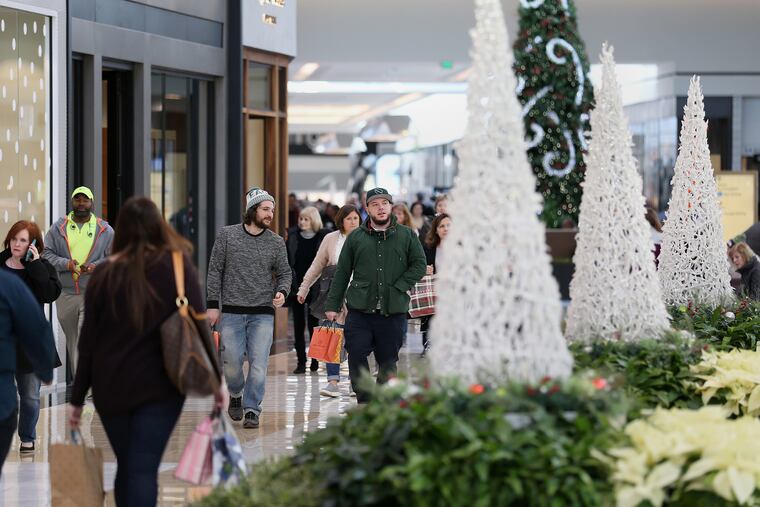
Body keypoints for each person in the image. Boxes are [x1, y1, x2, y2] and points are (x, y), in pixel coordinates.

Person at [68, 196, 227, 506]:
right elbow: (199, 328)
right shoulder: (178, 267)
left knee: (128, 465)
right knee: (142, 468)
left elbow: (87, 343)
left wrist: (76, 400)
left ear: (123, 230)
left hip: (110, 386)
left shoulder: (104, 274)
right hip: (162, 387)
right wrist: (217, 381)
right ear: (159, 227)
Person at [324, 188, 426, 403]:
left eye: (385, 203)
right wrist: (332, 304)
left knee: (388, 359)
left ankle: (382, 398)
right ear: (368, 209)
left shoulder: (406, 235)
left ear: (390, 207)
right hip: (360, 309)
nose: (380, 208)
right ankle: (364, 398)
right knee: (356, 352)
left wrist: (400, 286)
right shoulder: (356, 238)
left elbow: (419, 265)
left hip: (393, 309)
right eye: (375, 204)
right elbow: (343, 272)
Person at [207, 188, 291, 428]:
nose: (270, 214)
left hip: (263, 312)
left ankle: (252, 408)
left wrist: (282, 292)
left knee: (259, 363)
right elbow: (215, 271)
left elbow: (285, 272)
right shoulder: (227, 235)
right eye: (265, 209)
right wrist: (213, 305)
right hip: (232, 310)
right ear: (252, 210)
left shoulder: (275, 242)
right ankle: (235, 394)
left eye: (272, 210)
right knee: (232, 362)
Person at [1, 221, 62, 453]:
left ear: (34, 244)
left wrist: (35, 265)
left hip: (28, 344)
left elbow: (48, 295)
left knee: (29, 396)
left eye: (23, 240)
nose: (17, 244)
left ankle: (27, 436)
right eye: (14, 239)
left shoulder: (42, 267)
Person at [43, 186, 114, 375]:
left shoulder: (105, 230)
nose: (81, 204)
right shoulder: (58, 228)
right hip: (65, 294)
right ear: (72, 202)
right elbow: (46, 254)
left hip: (92, 292)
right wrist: (67, 264)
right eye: (77, 200)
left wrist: (95, 266)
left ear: (92, 203)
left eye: (85, 200)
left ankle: (85, 387)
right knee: (74, 341)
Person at [297, 205, 362, 397]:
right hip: (333, 294)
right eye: (349, 218)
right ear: (341, 220)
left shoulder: (366, 238)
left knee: (357, 340)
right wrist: (304, 288)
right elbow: (316, 266)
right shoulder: (330, 239)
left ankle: (355, 382)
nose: (353, 222)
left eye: (356, 218)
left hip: (359, 296)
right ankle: (333, 381)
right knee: (332, 336)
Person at [0, 270, 56, 477]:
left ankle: (27, 437)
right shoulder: (7, 283)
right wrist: (45, 368)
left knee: (29, 397)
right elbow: (37, 328)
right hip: (2, 405)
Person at [287, 206, 326, 374]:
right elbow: (289, 261)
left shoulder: (322, 237)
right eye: (301, 219)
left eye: (306, 219)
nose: (302, 222)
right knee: (298, 325)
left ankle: (315, 359)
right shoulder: (293, 237)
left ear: (314, 220)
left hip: (316, 287)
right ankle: (301, 362)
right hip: (297, 286)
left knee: (313, 324)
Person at [420, 213, 451, 353]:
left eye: (448, 225)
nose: (445, 229)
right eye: (442, 226)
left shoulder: (461, 247)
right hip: (433, 291)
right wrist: (424, 269)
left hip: (453, 292)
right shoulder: (429, 247)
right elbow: (419, 266)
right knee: (432, 319)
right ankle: (429, 344)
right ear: (436, 229)